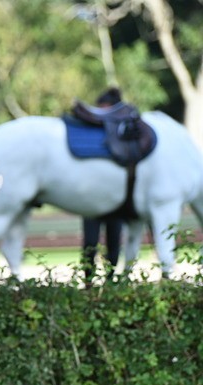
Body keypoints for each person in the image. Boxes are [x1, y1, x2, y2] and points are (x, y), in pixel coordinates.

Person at [81, 88, 125, 270]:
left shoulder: (125, 135)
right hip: (93, 196)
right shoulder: (89, 134)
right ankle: (89, 281)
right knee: (90, 243)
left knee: (114, 243)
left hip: (114, 197)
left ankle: (110, 280)